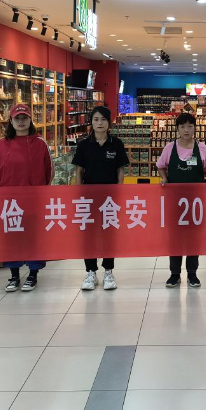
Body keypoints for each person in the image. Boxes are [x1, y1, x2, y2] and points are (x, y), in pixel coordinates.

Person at [156, 112, 206, 288]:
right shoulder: (170, 148)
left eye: (190, 126)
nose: (186, 130)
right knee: (175, 238)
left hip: (196, 201)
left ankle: (192, 274)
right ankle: (174, 274)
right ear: (177, 129)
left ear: (195, 128)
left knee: (193, 238)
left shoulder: (201, 148)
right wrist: (164, 178)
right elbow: (160, 166)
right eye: (183, 126)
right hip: (174, 201)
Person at [0, 104, 52, 292]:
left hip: (34, 200)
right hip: (10, 201)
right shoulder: (2, 144)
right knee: (13, 236)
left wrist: (41, 193)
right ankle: (14, 275)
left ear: (30, 120)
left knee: (33, 237)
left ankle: (33, 274)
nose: (21, 122)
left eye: (24, 118)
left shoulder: (40, 143)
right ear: (11, 121)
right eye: (17, 118)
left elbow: (49, 171)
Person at [73, 105, 130, 291]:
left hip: (110, 199)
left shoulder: (116, 144)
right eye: (96, 119)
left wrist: (119, 191)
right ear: (91, 121)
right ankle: (90, 272)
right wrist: (78, 194)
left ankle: (108, 271)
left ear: (109, 122)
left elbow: (120, 170)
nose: (100, 123)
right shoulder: (84, 145)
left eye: (103, 119)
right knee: (88, 236)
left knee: (108, 235)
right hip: (88, 199)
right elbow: (79, 171)